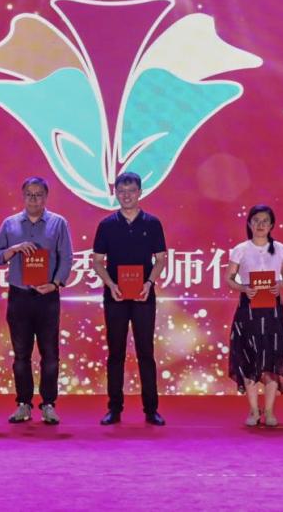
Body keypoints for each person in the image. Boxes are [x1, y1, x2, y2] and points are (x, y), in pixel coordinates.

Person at [0, 176, 73, 425]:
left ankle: (48, 404)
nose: (34, 199)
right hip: (19, 296)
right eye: (29, 194)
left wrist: (55, 284)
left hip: (47, 297)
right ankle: (23, 404)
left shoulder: (58, 223)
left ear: (46, 197)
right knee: (21, 355)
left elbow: (66, 257)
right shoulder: (10, 224)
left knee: (50, 355)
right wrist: (15, 248)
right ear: (23, 196)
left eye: (38, 195)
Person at [92, 172, 167, 426]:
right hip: (115, 295)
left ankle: (151, 409)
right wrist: (110, 284)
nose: (126, 196)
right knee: (116, 353)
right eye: (122, 191)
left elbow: (161, 259)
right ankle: (114, 408)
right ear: (116, 193)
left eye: (131, 191)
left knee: (146, 352)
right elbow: (97, 261)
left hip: (144, 295)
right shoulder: (106, 225)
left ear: (140, 193)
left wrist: (149, 283)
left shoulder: (152, 223)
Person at [225, 204, 283, 427]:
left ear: (272, 225)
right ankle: (253, 410)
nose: (260, 225)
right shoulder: (240, 249)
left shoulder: (280, 249)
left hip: (273, 310)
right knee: (248, 357)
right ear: (249, 223)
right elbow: (229, 279)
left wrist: (280, 285)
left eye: (265, 221)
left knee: (273, 359)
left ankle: (269, 411)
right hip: (248, 309)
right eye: (256, 220)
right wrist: (243, 288)